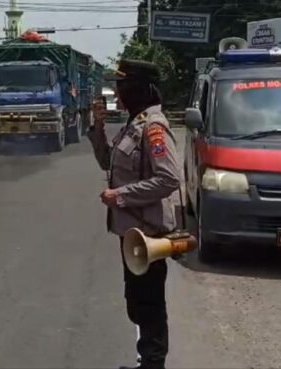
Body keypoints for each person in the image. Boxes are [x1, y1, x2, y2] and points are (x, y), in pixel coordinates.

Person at [87, 59, 182, 369]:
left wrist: (121, 195)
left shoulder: (153, 127)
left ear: (138, 88)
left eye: (122, 85)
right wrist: (97, 128)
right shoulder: (134, 124)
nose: (117, 91)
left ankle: (153, 364)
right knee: (137, 302)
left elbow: (169, 179)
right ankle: (148, 362)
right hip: (131, 233)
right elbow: (107, 164)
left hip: (149, 231)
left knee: (150, 304)